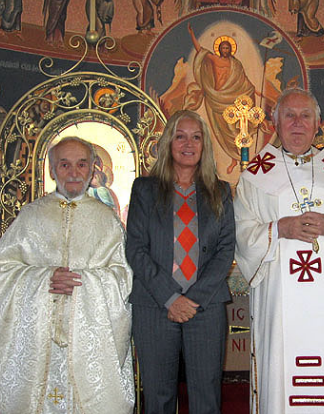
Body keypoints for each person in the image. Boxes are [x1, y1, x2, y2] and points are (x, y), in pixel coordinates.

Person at [234, 88, 324, 414]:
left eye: (305, 116)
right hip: (278, 302)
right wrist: (279, 229)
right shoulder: (255, 176)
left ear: (318, 124)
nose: (297, 124)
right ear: (275, 122)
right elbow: (241, 231)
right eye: (289, 115)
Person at [0, 136, 134, 413]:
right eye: (64, 165)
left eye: (81, 164)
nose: (74, 172)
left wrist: (83, 281)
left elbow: (123, 277)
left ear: (93, 169)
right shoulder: (30, 217)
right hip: (37, 342)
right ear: (52, 170)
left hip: (89, 340)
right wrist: (44, 279)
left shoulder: (107, 221)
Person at [126, 110, 234, 414]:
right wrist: (171, 298)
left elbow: (225, 249)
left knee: (206, 394)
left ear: (204, 145)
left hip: (206, 306)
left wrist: (193, 299)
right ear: (168, 142)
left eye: (196, 137)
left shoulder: (219, 191)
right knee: (158, 396)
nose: (188, 143)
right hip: (154, 304)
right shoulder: (144, 190)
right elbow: (135, 248)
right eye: (180, 135)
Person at [186, 23, 256, 174]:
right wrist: (192, 34)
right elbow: (200, 50)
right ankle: (232, 160)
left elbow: (244, 82)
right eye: (223, 47)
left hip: (230, 101)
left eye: (227, 48)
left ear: (231, 49)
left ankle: (237, 161)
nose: (225, 50)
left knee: (234, 132)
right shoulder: (214, 59)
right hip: (215, 98)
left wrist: (252, 91)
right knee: (221, 132)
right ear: (219, 49)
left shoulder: (236, 64)